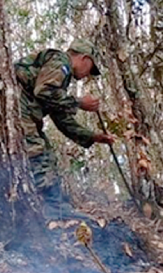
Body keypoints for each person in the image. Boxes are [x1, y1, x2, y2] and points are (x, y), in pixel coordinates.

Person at [14, 39, 115, 218]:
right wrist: (79, 102)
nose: (88, 75)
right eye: (90, 69)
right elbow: (43, 91)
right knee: (38, 153)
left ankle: (49, 207)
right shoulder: (61, 62)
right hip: (17, 110)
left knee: (46, 155)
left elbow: (61, 118)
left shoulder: (61, 75)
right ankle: (51, 210)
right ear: (84, 58)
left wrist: (92, 137)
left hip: (24, 112)